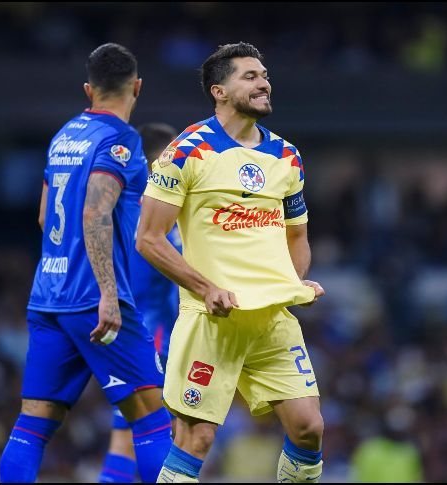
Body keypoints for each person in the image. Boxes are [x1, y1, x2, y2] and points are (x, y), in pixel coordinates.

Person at [136, 42, 327, 483]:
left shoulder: (286, 156)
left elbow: (296, 236)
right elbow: (148, 238)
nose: (264, 83)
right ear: (219, 91)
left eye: (264, 75)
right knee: (195, 440)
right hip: (211, 320)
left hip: (270, 320)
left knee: (309, 428)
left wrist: (292, 284)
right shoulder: (186, 151)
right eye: (250, 76)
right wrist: (206, 289)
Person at [0, 43, 172, 483]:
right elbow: (95, 211)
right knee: (153, 420)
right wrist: (108, 294)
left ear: (87, 88)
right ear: (138, 87)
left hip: (47, 297)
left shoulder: (64, 135)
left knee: (32, 426)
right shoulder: (121, 140)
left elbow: (43, 216)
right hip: (96, 301)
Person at [99, 122, 181, 483]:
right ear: (162, 160)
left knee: (124, 435)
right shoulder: (161, 216)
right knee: (162, 432)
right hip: (157, 336)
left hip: (123, 333)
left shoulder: (115, 208)